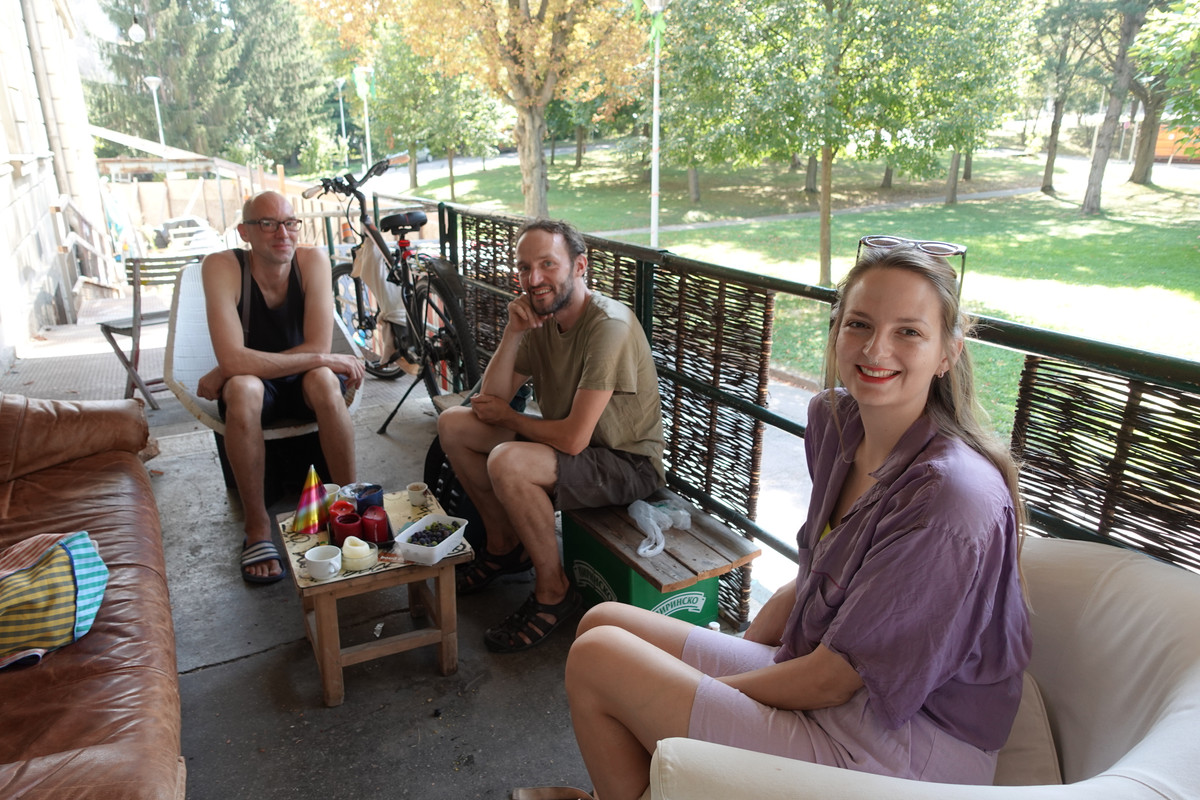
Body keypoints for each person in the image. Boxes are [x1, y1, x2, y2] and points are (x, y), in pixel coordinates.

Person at [561, 238, 1032, 799]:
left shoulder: (949, 496)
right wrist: (718, 676)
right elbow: (812, 577)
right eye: (859, 324)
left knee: (598, 661)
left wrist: (705, 691)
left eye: (909, 331)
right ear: (836, 331)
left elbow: (833, 681)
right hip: (832, 683)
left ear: (948, 352)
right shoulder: (837, 422)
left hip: (903, 747)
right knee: (603, 623)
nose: (876, 348)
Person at [438, 218, 664, 653]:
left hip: (625, 463)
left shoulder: (608, 325)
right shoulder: (542, 321)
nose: (533, 279)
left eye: (547, 264)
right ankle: (504, 546)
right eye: (524, 268)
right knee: (454, 424)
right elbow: (489, 402)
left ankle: (554, 591)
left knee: (508, 461)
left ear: (579, 266)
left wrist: (511, 417)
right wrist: (512, 332)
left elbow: (575, 439)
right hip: (573, 450)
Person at [199, 191, 364, 584]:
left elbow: (316, 345)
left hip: (303, 382)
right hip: (255, 388)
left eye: (289, 223)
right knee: (243, 387)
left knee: (324, 381)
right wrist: (231, 367)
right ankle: (257, 527)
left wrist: (234, 364)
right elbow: (237, 362)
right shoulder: (222, 266)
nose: (282, 233)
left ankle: (348, 506)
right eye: (268, 224)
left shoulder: (312, 261)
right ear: (245, 232)